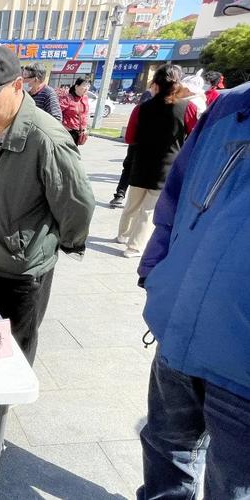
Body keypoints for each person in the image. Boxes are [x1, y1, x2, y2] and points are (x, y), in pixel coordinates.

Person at [0, 46, 95, 417]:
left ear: (18, 86)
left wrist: (54, 244)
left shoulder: (46, 139)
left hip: (24, 264)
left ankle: (7, 395)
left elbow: (77, 202)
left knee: (18, 336)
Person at [136, 81, 250, 500]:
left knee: (231, 486)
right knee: (166, 451)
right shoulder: (230, 107)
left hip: (242, 366)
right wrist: (156, 274)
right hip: (179, 327)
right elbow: (174, 198)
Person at [116, 64, 198, 259]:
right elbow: (195, 137)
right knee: (148, 209)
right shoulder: (188, 108)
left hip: (141, 162)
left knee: (133, 203)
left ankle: (122, 234)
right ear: (178, 84)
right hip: (167, 165)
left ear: (156, 83)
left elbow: (129, 138)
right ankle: (134, 247)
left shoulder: (141, 108)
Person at [109, 83, 158, 209]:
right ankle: (121, 195)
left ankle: (120, 195)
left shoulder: (144, 105)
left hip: (140, 145)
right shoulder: (176, 106)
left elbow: (129, 136)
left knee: (130, 170)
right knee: (130, 169)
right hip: (146, 147)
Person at [59, 77, 91, 145]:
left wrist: (85, 127)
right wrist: (63, 125)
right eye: (85, 85)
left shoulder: (85, 98)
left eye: (88, 86)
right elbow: (56, 113)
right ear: (76, 86)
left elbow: (85, 114)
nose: (87, 88)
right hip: (67, 132)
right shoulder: (67, 98)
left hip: (79, 133)